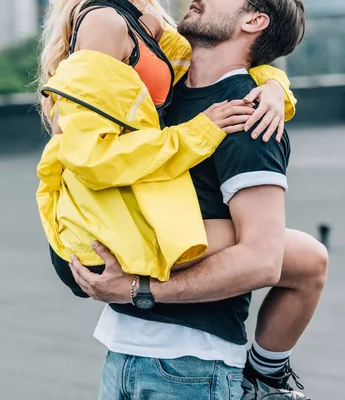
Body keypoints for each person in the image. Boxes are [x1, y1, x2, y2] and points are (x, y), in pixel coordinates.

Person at [37, 0, 327, 399]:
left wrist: (139, 290)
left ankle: (266, 379)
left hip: (193, 366)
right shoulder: (162, 92)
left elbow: (261, 261)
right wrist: (275, 85)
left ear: (254, 20)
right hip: (122, 353)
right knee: (307, 255)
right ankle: (267, 378)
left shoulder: (248, 116)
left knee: (301, 256)